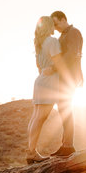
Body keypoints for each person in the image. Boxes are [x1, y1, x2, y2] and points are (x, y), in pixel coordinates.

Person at [27, 16, 63, 164]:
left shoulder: (39, 44)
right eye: (52, 25)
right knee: (40, 118)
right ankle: (31, 153)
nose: (55, 28)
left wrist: (46, 70)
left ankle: (31, 151)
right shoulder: (52, 41)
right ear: (49, 27)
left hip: (40, 81)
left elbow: (39, 66)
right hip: (49, 82)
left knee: (36, 117)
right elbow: (60, 63)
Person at [49, 11, 83, 157]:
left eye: (56, 24)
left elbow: (72, 54)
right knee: (63, 110)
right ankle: (66, 145)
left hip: (69, 77)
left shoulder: (74, 32)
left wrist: (54, 67)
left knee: (66, 110)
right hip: (63, 77)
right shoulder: (63, 35)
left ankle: (68, 146)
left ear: (63, 20)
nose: (55, 27)